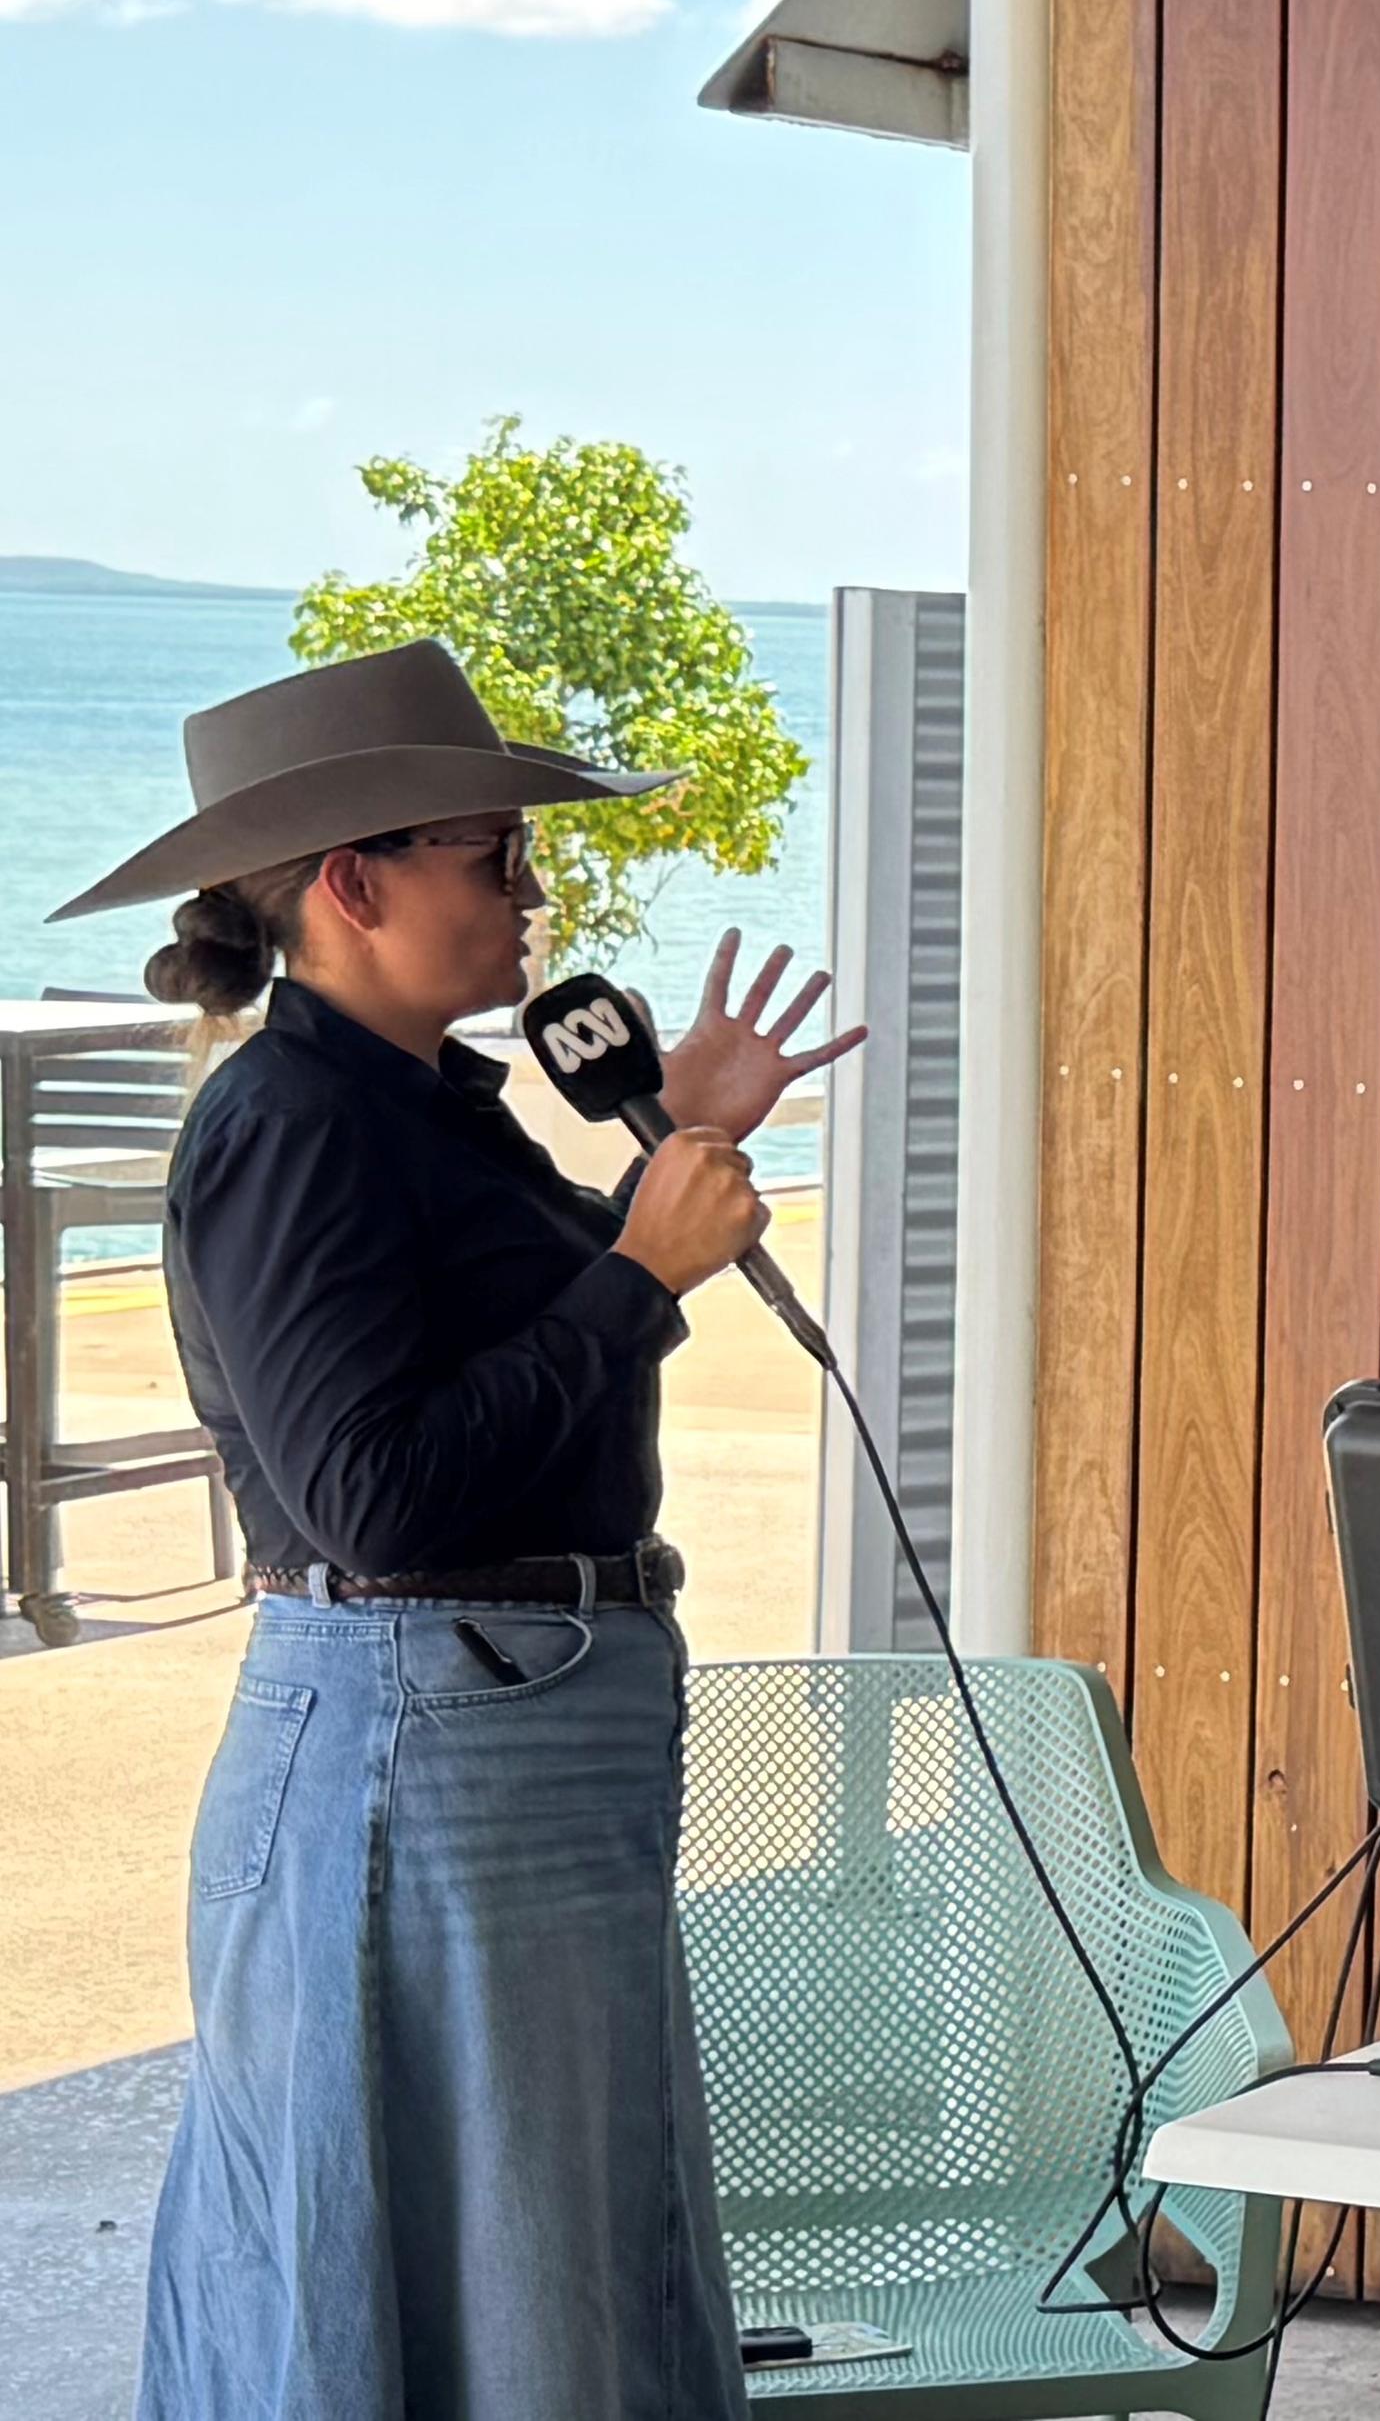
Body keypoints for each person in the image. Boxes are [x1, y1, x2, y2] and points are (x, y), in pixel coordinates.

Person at [54, 639, 865, 2421]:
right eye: (494, 854)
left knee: (558, 2268)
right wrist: (641, 1271)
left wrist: (677, 1143)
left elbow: (517, 1346)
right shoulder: (289, 1122)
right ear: (354, 885)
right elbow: (376, 1495)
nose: (531, 890)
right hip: (417, 1752)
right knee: (462, 2276)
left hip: (512, 1744)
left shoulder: (426, 1111)